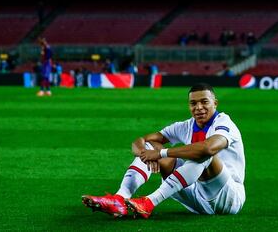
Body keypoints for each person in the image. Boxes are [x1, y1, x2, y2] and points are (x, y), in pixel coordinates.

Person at [82, 83, 246, 219]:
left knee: (203, 154)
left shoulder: (224, 123)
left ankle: (149, 202)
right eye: (193, 103)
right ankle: (120, 198)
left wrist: (161, 154)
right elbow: (141, 141)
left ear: (215, 103)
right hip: (197, 199)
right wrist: (146, 154)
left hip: (229, 197)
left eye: (204, 102)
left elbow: (208, 148)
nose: (199, 107)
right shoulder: (185, 126)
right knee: (151, 146)